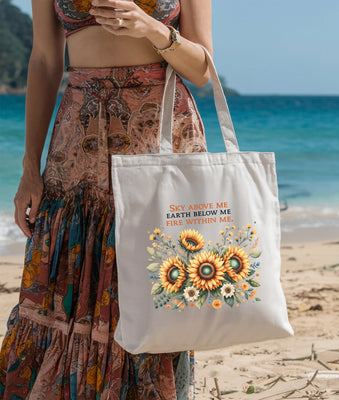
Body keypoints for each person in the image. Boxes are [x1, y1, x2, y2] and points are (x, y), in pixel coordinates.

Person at [0, 0, 212, 398]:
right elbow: (46, 60)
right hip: (77, 140)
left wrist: (150, 27)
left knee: (157, 286)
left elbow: (201, 68)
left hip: (160, 132)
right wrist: (30, 167)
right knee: (64, 280)